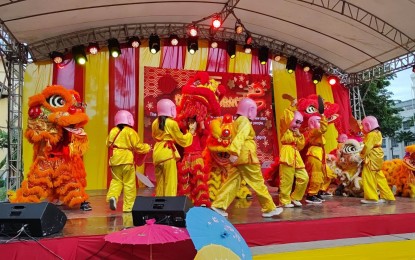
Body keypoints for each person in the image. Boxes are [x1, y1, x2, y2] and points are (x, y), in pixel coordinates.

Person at [211, 98, 283, 218]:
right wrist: (234, 152)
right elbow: (241, 137)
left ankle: (219, 205)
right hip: (246, 157)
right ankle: (269, 208)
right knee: (258, 182)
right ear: (250, 110)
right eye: (254, 110)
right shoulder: (244, 120)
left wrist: (234, 154)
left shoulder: (238, 120)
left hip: (241, 157)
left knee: (233, 181)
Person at [106, 110, 151, 212]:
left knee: (116, 181)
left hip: (115, 159)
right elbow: (138, 147)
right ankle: (129, 207)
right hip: (127, 159)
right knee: (129, 183)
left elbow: (108, 143)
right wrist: (147, 147)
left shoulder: (113, 131)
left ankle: (113, 196)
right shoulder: (131, 132)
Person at [152, 99, 193, 196]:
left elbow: (154, 137)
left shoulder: (155, 123)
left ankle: (159, 204)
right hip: (167, 154)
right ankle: (169, 204)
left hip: (157, 153)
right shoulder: (171, 123)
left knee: (160, 183)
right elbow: (181, 139)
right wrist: (190, 133)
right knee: (170, 182)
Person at [278, 104, 309, 208]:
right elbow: (286, 117)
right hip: (287, 154)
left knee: (304, 177)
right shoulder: (285, 129)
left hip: (296, 155)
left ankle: (295, 197)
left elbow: (301, 146)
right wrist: (292, 106)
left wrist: (299, 135)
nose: (298, 125)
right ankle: (284, 200)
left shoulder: (296, 133)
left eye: (300, 123)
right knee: (287, 180)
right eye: (296, 121)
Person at [360, 116, 395, 204]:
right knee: (379, 177)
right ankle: (388, 196)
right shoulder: (378, 132)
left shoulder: (371, 134)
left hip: (372, 157)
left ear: (367, 125)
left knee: (368, 176)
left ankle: (371, 198)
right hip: (378, 156)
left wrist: (361, 155)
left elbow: (367, 147)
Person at [305, 115, 328, 204]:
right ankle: (311, 194)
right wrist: (323, 116)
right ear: (312, 123)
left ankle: (316, 192)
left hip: (319, 153)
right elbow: (323, 128)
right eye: (318, 121)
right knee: (316, 174)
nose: (321, 122)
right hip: (314, 154)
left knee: (320, 174)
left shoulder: (317, 132)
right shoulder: (314, 131)